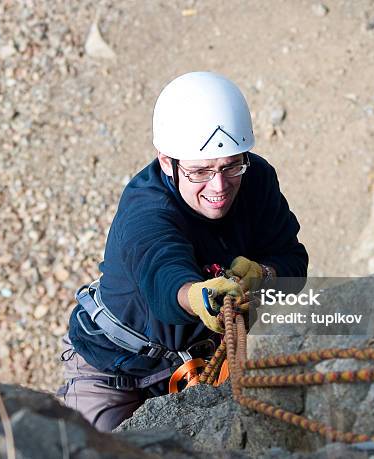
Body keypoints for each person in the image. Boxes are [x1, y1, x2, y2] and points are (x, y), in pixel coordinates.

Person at [57, 71, 308, 432]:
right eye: (200, 172)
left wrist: (266, 275)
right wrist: (195, 295)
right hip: (114, 370)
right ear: (166, 162)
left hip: (200, 359)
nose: (219, 186)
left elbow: (292, 260)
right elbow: (164, 274)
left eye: (230, 166)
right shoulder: (146, 210)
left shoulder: (256, 179)